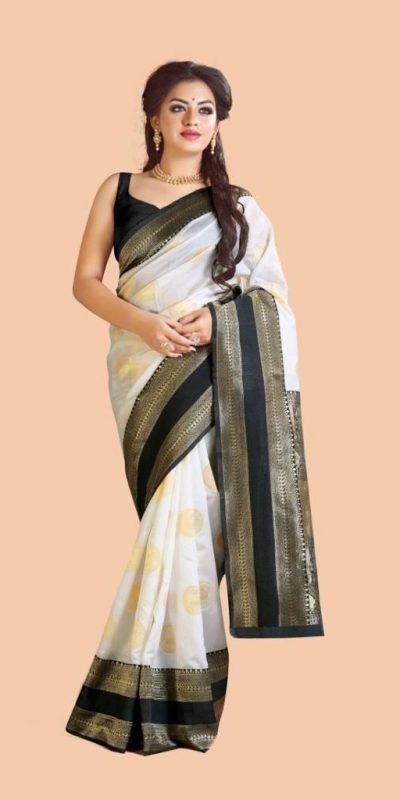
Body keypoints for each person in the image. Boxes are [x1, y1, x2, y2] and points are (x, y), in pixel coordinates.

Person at [65, 60, 324, 757]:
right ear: (153, 117)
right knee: (171, 512)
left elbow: (271, 301)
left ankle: (172, 692)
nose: (190, 120)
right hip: (143, 371)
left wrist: (218, 324)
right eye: (177, 107)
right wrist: (146, 325)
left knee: (191, 517)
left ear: (218, 123)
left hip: (214, 374)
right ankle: (174, 692)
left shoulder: (238, 204)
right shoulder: (118, 189)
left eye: (204, 109)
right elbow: (85, 282)